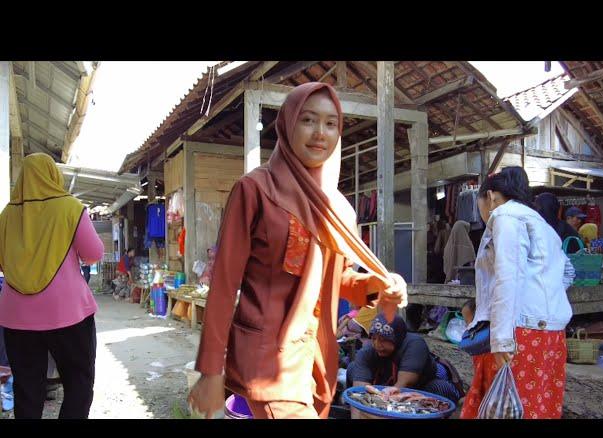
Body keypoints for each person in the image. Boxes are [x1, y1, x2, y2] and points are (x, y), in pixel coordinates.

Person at [188, 83, 408, 420]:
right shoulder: (256, 190)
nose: (320, 133)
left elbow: (337, 280)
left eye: (331, 123)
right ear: (288, 124)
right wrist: (211, 370)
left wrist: (376, 286)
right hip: (267, 358)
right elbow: (223, 283)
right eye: (308, 120)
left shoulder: (339, 209)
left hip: (317, 357)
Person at [460, 167, 573, 419]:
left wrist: (501, 340)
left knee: (503, 406)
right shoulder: (542, 224)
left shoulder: (505, 217)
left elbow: (507, 277)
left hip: (519, 333)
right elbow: (568, 271)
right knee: (537, 408)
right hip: (551, 334)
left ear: (490, 196)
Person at [0, 153, 104, 419]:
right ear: (53, 176)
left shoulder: (6, 215)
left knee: (27, 389)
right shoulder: (70, 207)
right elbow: (93, 253)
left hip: (17, 318)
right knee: (78, 383)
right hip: (68, 313)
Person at [346, 315, 464, 410]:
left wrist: (387, 399)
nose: (377, 345)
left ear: (397, 338)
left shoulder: (414, 344)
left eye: (383, 340)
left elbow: (403, 384)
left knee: (441, 388)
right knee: (352, 368)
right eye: (374, 338)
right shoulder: (367, 351)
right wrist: (369, 403)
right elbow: (360, 390)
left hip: (421, 384)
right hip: (386, 382)